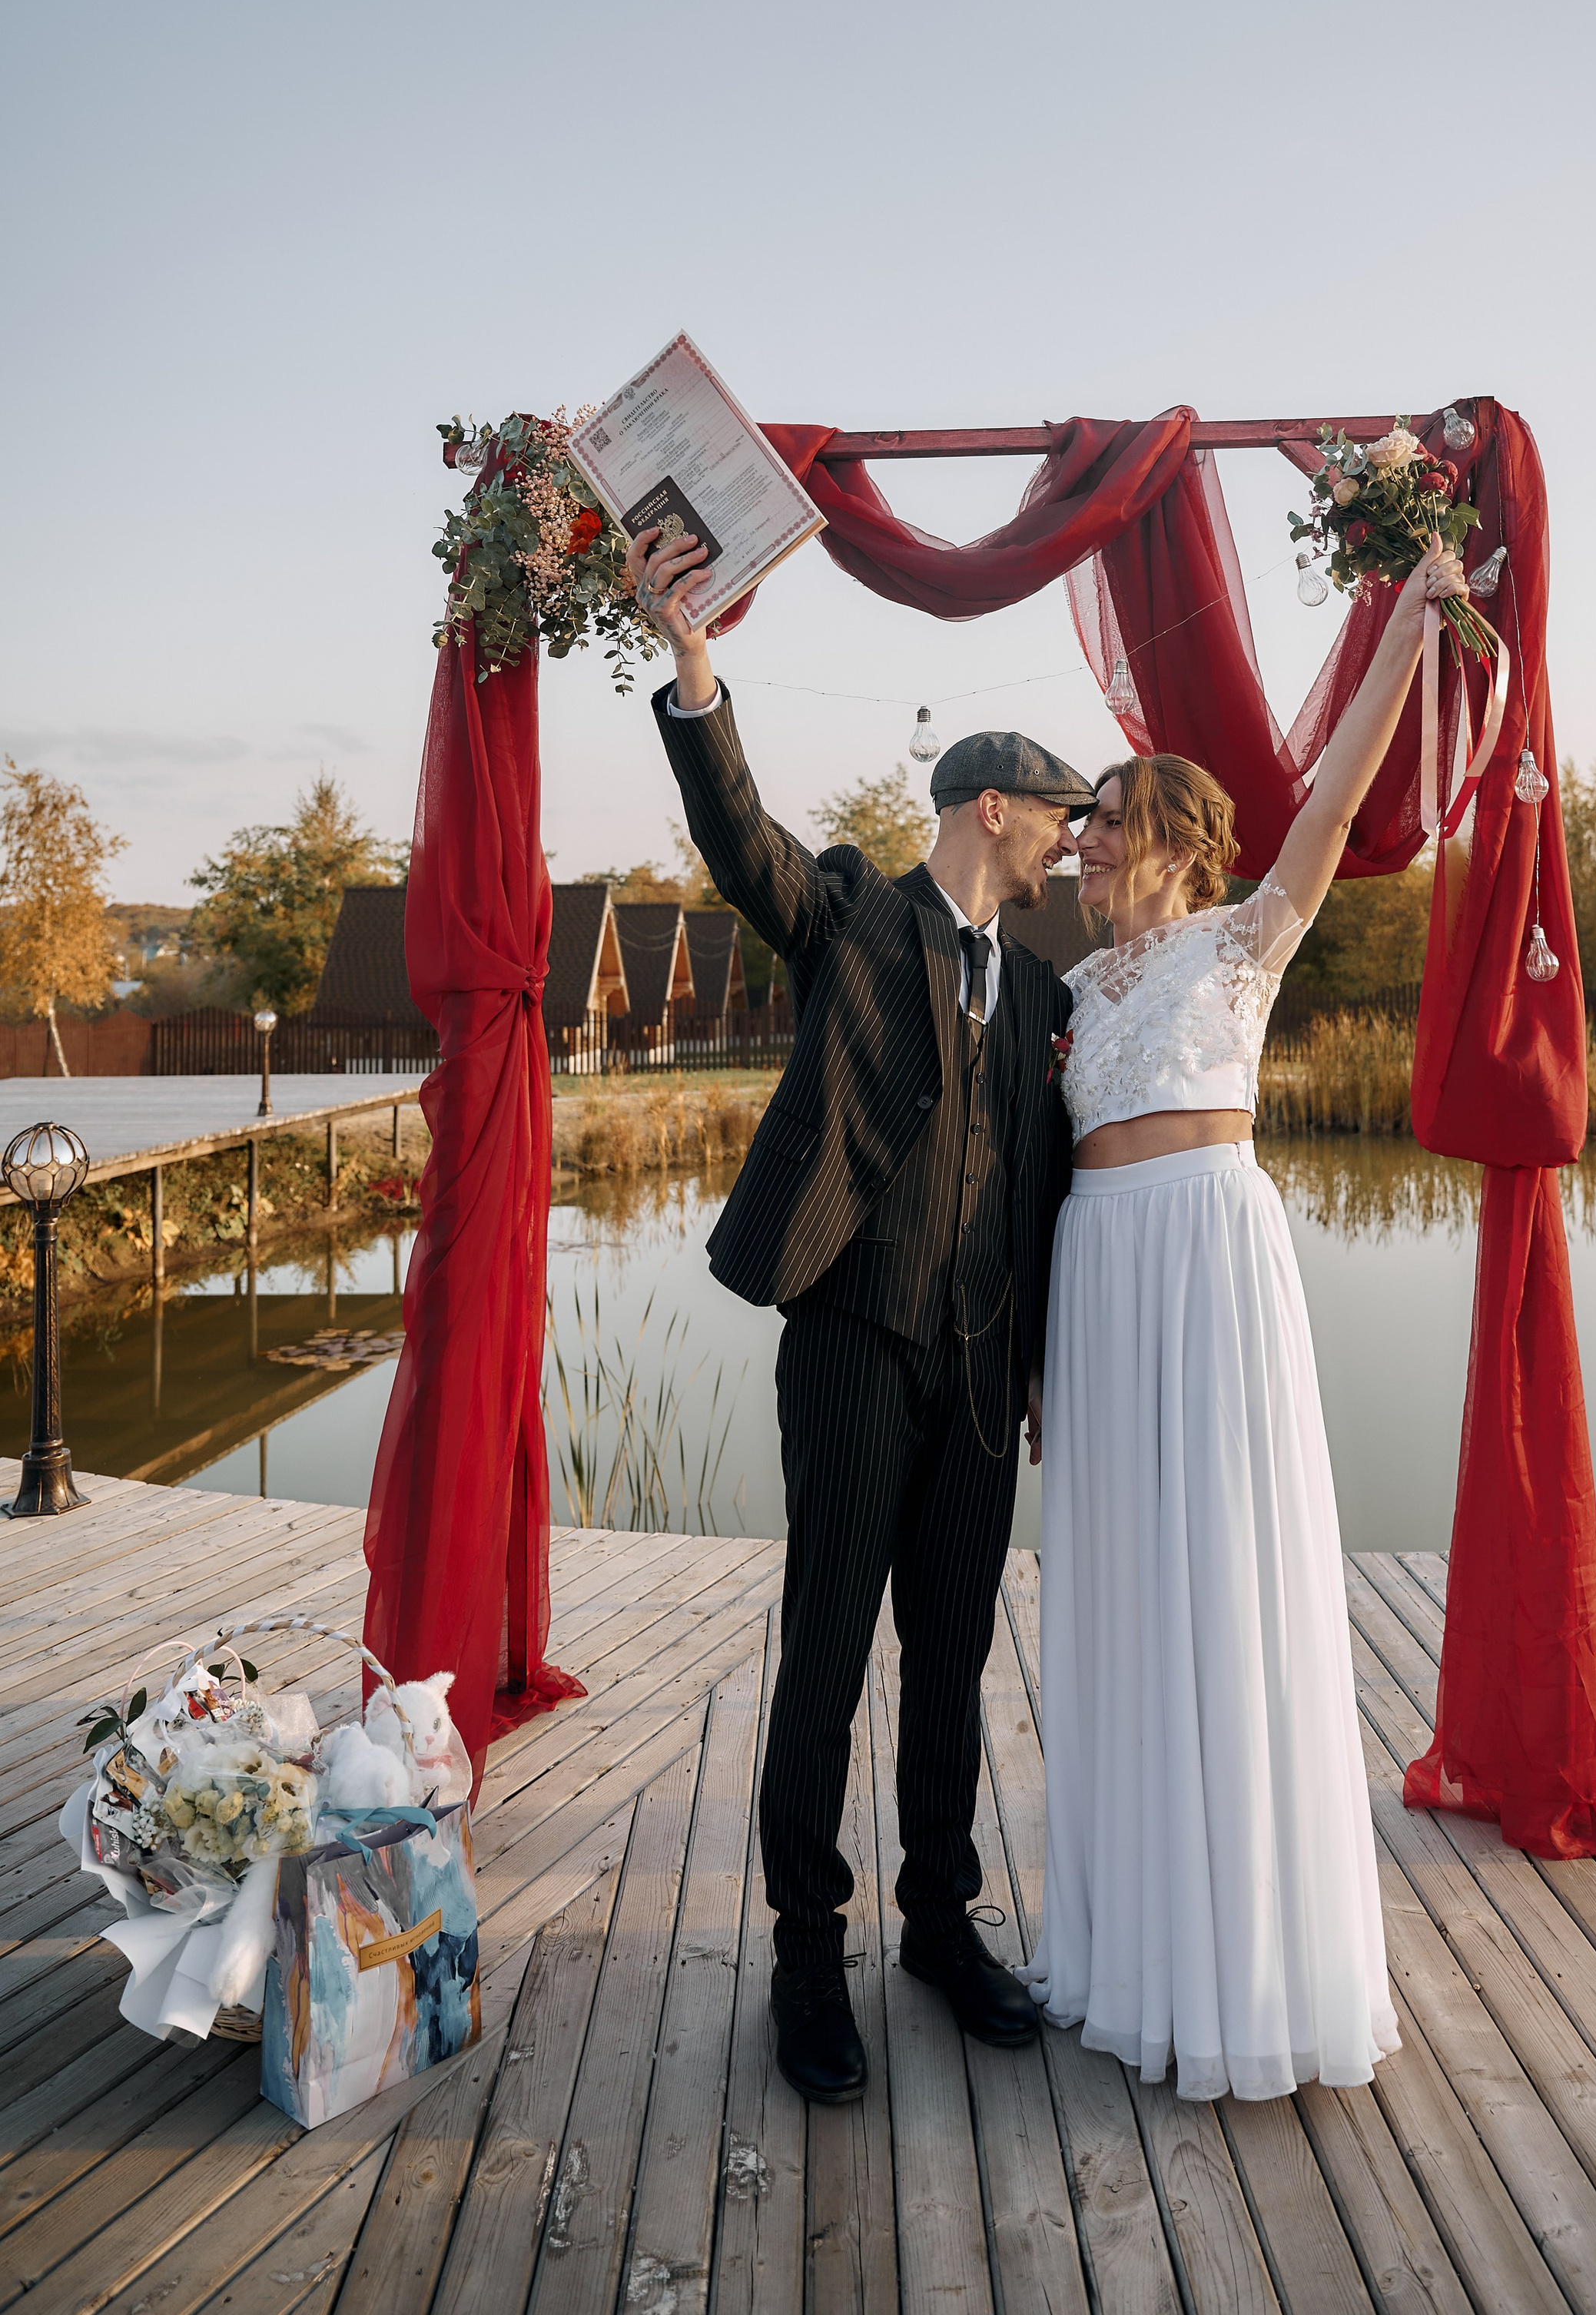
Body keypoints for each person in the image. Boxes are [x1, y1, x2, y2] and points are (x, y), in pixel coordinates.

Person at [634, 520, 1090, 2108]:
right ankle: (806, 1958)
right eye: (1054, 815)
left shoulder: (1042, 994)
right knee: (824, 1659)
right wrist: (695, 669)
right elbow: (738, 838)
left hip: (977, 1376)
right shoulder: (849, 914)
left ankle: (939, 1930)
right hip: (846, 1344)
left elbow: (1045, 1191)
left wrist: (1034, 1366)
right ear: (986, 806)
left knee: (950, 1661)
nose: (1065, 843)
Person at [1021, 539, 1471, 2101]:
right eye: (1077, 835)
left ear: (1176, 849)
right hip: (1093, 1280)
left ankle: (1247, 1958)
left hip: (1209, 1266)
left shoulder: (1240, 946)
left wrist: (1405, 625)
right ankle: (1131, 1942)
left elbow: (1337, 805)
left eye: (1103, 832)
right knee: (1122, 1594)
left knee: (1219, 1575)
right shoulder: (1061, 993)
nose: (1081, 854)